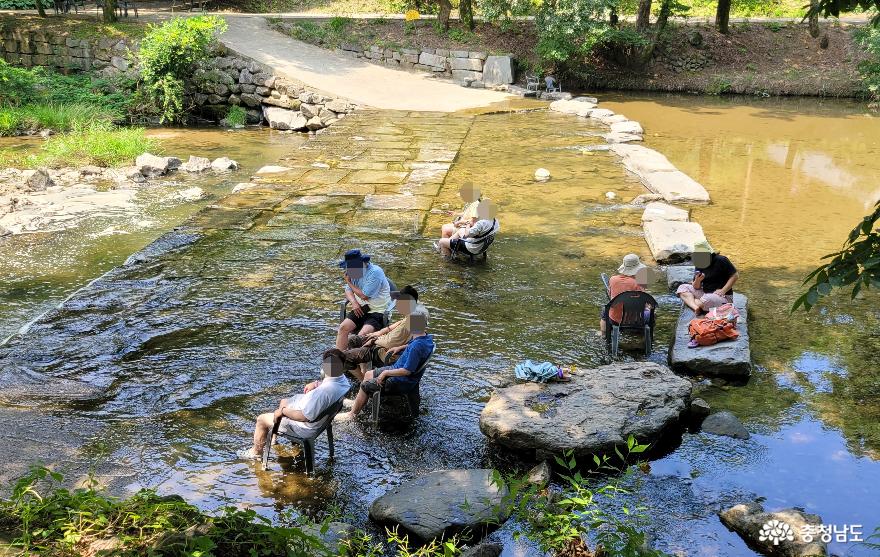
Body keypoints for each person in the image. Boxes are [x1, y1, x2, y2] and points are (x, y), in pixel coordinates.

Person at [237, 349, 351, 460]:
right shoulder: (343, 382)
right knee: (284, 401)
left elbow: (304, 417)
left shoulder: (323, 393)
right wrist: (317, 383)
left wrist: (282, 412)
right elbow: (330, 385)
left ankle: (256, 453)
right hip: (322, 419)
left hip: (306, 428)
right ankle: (274, 439)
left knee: (261, 419)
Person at [335, 305, 433, 422]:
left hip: (399, 380)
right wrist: (401, 347)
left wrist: (386, 372)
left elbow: (407, 370)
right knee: (368, 375)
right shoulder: (425, 338)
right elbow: (414, 346)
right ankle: (359, 402)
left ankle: (352, 414)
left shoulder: (416, 347)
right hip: (399, 370)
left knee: (366, 385)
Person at [343, 285, 426, 381]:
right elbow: (392, 327)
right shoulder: (413, 315)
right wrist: (379, 333)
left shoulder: (410, 322)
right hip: (382, 342)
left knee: (345, 357)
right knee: (352, 340)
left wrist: (373, 340)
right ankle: (364, 371)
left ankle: (363, 381)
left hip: (383, 351)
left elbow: (389, 343)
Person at [335, 249, 392, 351]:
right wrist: (354, 303)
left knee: (360, 336)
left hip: (378, 312)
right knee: (343, 328)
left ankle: (356, 362)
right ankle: (339, 357)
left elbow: (364, 296)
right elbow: (348, 291)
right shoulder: (353, 271)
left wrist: (349, 282)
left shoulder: (375, 272)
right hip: (360, 308)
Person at [676, 239, 738, 314]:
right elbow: (696, 287)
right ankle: (696, 307)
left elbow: (735, 276)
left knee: (706, 299)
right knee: (682, 287)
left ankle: (694, 301)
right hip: (705, 293)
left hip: (723, 296)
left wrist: (723, 290)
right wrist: (698, 280)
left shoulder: (721, 260)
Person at [600, 253, 651, 335]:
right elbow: (643, 304)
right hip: (634, 321)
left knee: (604, 311)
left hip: (615, 319)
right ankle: (646, 337)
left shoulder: (613, 279)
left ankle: (603, 334)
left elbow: (611, 296)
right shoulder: (638, 283)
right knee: (652, 313)